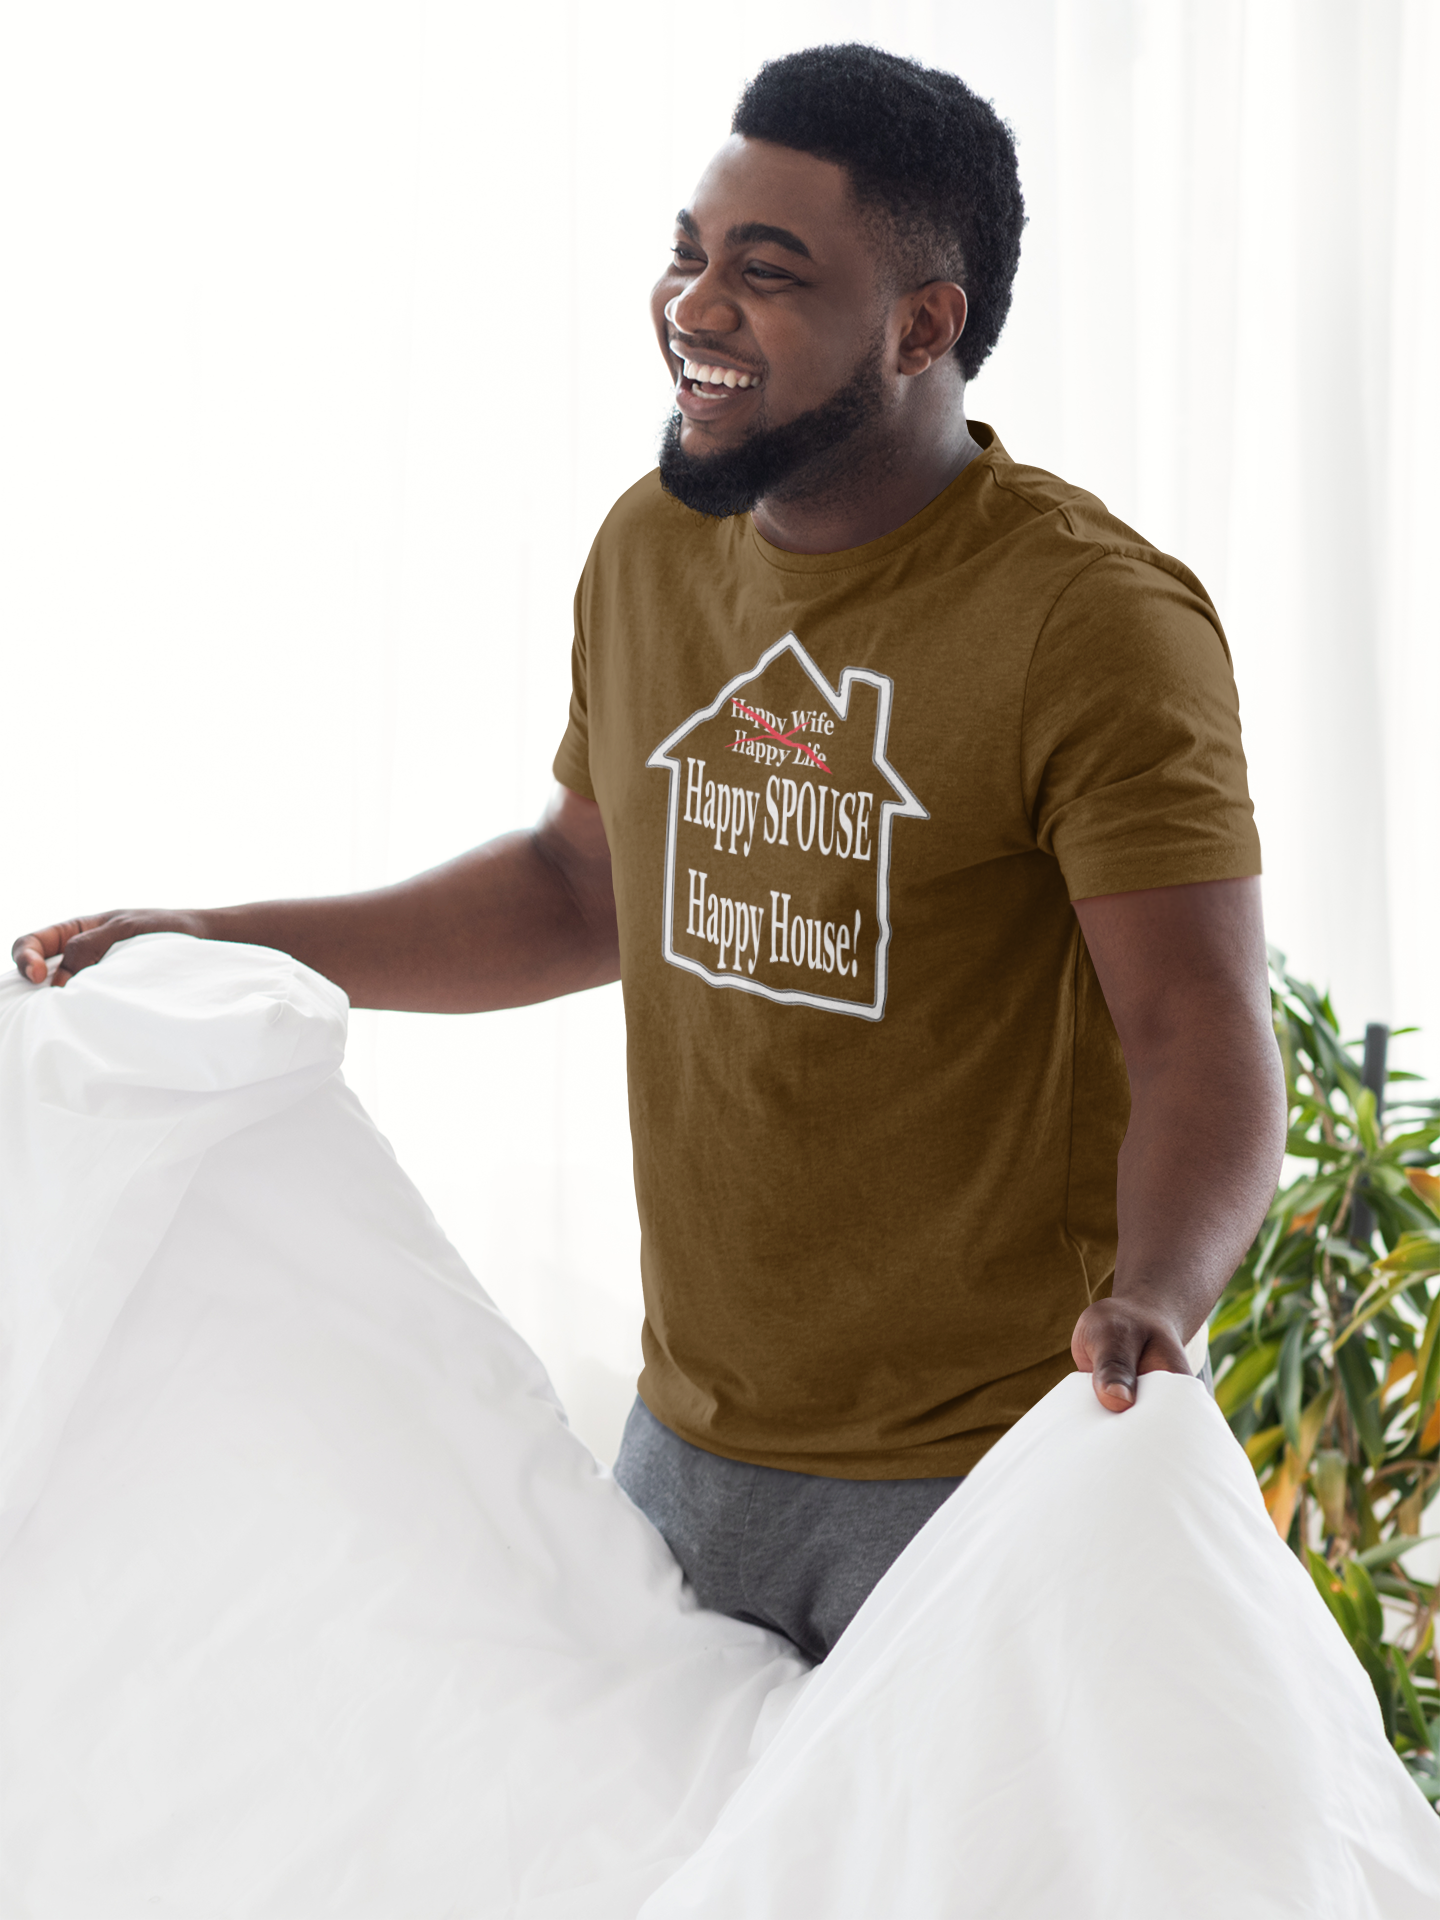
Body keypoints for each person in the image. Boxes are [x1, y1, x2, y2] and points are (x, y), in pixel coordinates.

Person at [11, 45, 1286, 1666]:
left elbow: (1196, 1027)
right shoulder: (650, 548)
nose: (695, 306)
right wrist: (224, 937)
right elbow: (582, 889)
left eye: (768, 272)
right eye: (690, 252)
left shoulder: (1089, 618)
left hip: (987, 1470)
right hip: (686, 1455)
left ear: (922, 326)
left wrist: (1158, 1299)